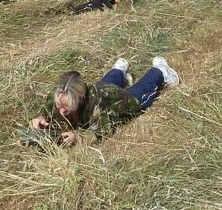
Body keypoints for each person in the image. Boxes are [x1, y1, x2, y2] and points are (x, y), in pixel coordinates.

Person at [26, 56, 181, 147]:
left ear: (79, 100)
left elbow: (103, 131)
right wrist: (40, 118)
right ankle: (119, 70)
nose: (61, 111)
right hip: (101, 89)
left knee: (138, 98)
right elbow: (48, 112)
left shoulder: (98, 105)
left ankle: (160, 70)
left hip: (115, 100)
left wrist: (79, 138)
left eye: (67, 107)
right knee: (104, 85)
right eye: (60, 106)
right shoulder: (59, 95)